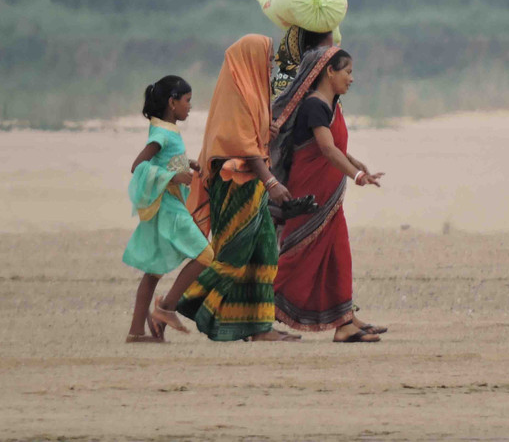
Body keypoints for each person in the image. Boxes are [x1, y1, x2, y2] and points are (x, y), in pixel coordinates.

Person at [171, 35, 299, 342]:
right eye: (266, 58)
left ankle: (259, 327)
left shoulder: (255, 92)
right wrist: (272, 182)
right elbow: (241, 145)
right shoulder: (237, 94)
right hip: (233, 186)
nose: (269, 65)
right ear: (250, 59)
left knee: (265, 252)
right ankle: (172, 304)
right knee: (233, 254)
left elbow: (255, 135)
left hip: (251, 185)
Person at [270, 46, 387, 343]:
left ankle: (344, 320)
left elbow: (333, 147)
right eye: (347, 72)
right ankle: (255, 312)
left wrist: (354, 161)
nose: (351, 79)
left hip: (328, 196)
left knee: (337, 256)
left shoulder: (329, 104)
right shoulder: (314, 105)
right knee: (297, 258)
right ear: (329, 72)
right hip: (312, 196)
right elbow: (324, 148)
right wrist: (357, 175)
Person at [121, 76, 214, 343]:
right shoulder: (161, 134)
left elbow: (168, 160)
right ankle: (167, 306)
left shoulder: (166, 129)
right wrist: (172, 177)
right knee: (206, 255)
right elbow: (138, 166)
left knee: (153, 271)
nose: (190, 106)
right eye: (187, 100)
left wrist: (189, 164)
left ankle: (137, 332)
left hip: (168, 206)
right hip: (169, 208)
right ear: (172, 103)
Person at [272, 25, 334, 98]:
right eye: (326, 51)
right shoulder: (292, 90)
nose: (330, 56)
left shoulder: (321, 84)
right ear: (308, 51)